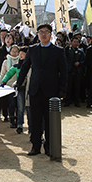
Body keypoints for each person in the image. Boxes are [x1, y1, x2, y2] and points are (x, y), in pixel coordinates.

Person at [19, 23, 68, 156]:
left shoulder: (58, 51)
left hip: (51, 91)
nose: (43, 34)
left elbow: (63, 72)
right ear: (38, 35)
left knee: (49, 121)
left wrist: (62, 89)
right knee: (35, 120)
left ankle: (49, 147)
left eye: (46, 32)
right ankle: (35, 146)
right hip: (35, 90)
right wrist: (19, 84)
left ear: (50, 34)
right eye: (41, 32)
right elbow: (25, 67)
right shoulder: (32, 49)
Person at [64, 36, 86, 107]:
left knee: (77, 88)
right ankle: (67, 101)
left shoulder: (80, 51)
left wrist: (79, 63)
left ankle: (77, 101)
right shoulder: (68, 50)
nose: (76, 43)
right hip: (69, 71)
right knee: (68, 87)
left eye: (77, 42)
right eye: (74, 42)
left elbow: (84, 61)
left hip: (77, 72)